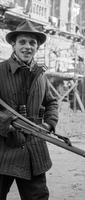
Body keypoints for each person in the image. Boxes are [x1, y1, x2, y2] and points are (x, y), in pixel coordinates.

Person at [0, 20, 58, 199]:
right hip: (3, 148)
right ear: (13, 45)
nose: (27, 47)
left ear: (37, 47)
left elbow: (52, 102)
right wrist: (6, 123)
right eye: (22, 42)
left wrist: (48, 124)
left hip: (34, 148)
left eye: (32, 43)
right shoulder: (0, 70)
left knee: (38, 197)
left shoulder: (40, 74)